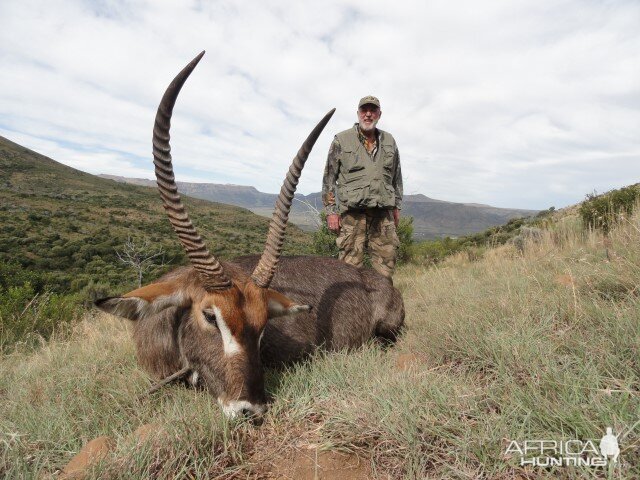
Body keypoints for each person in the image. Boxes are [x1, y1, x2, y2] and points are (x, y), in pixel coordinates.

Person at [321, 95, 403, 278]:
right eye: (364, 110)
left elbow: (396, 177)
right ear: (358, 113)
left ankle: (383, 305)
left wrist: (397, 206)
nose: (368, 114)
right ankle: (350, 306)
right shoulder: (341, 140)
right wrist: (331, 211)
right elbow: (329, 179)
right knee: (349, 269)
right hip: (352, 215)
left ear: (379, 114)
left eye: (372, 110)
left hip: (383, 214)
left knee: (386, 266)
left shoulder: (390, 141)